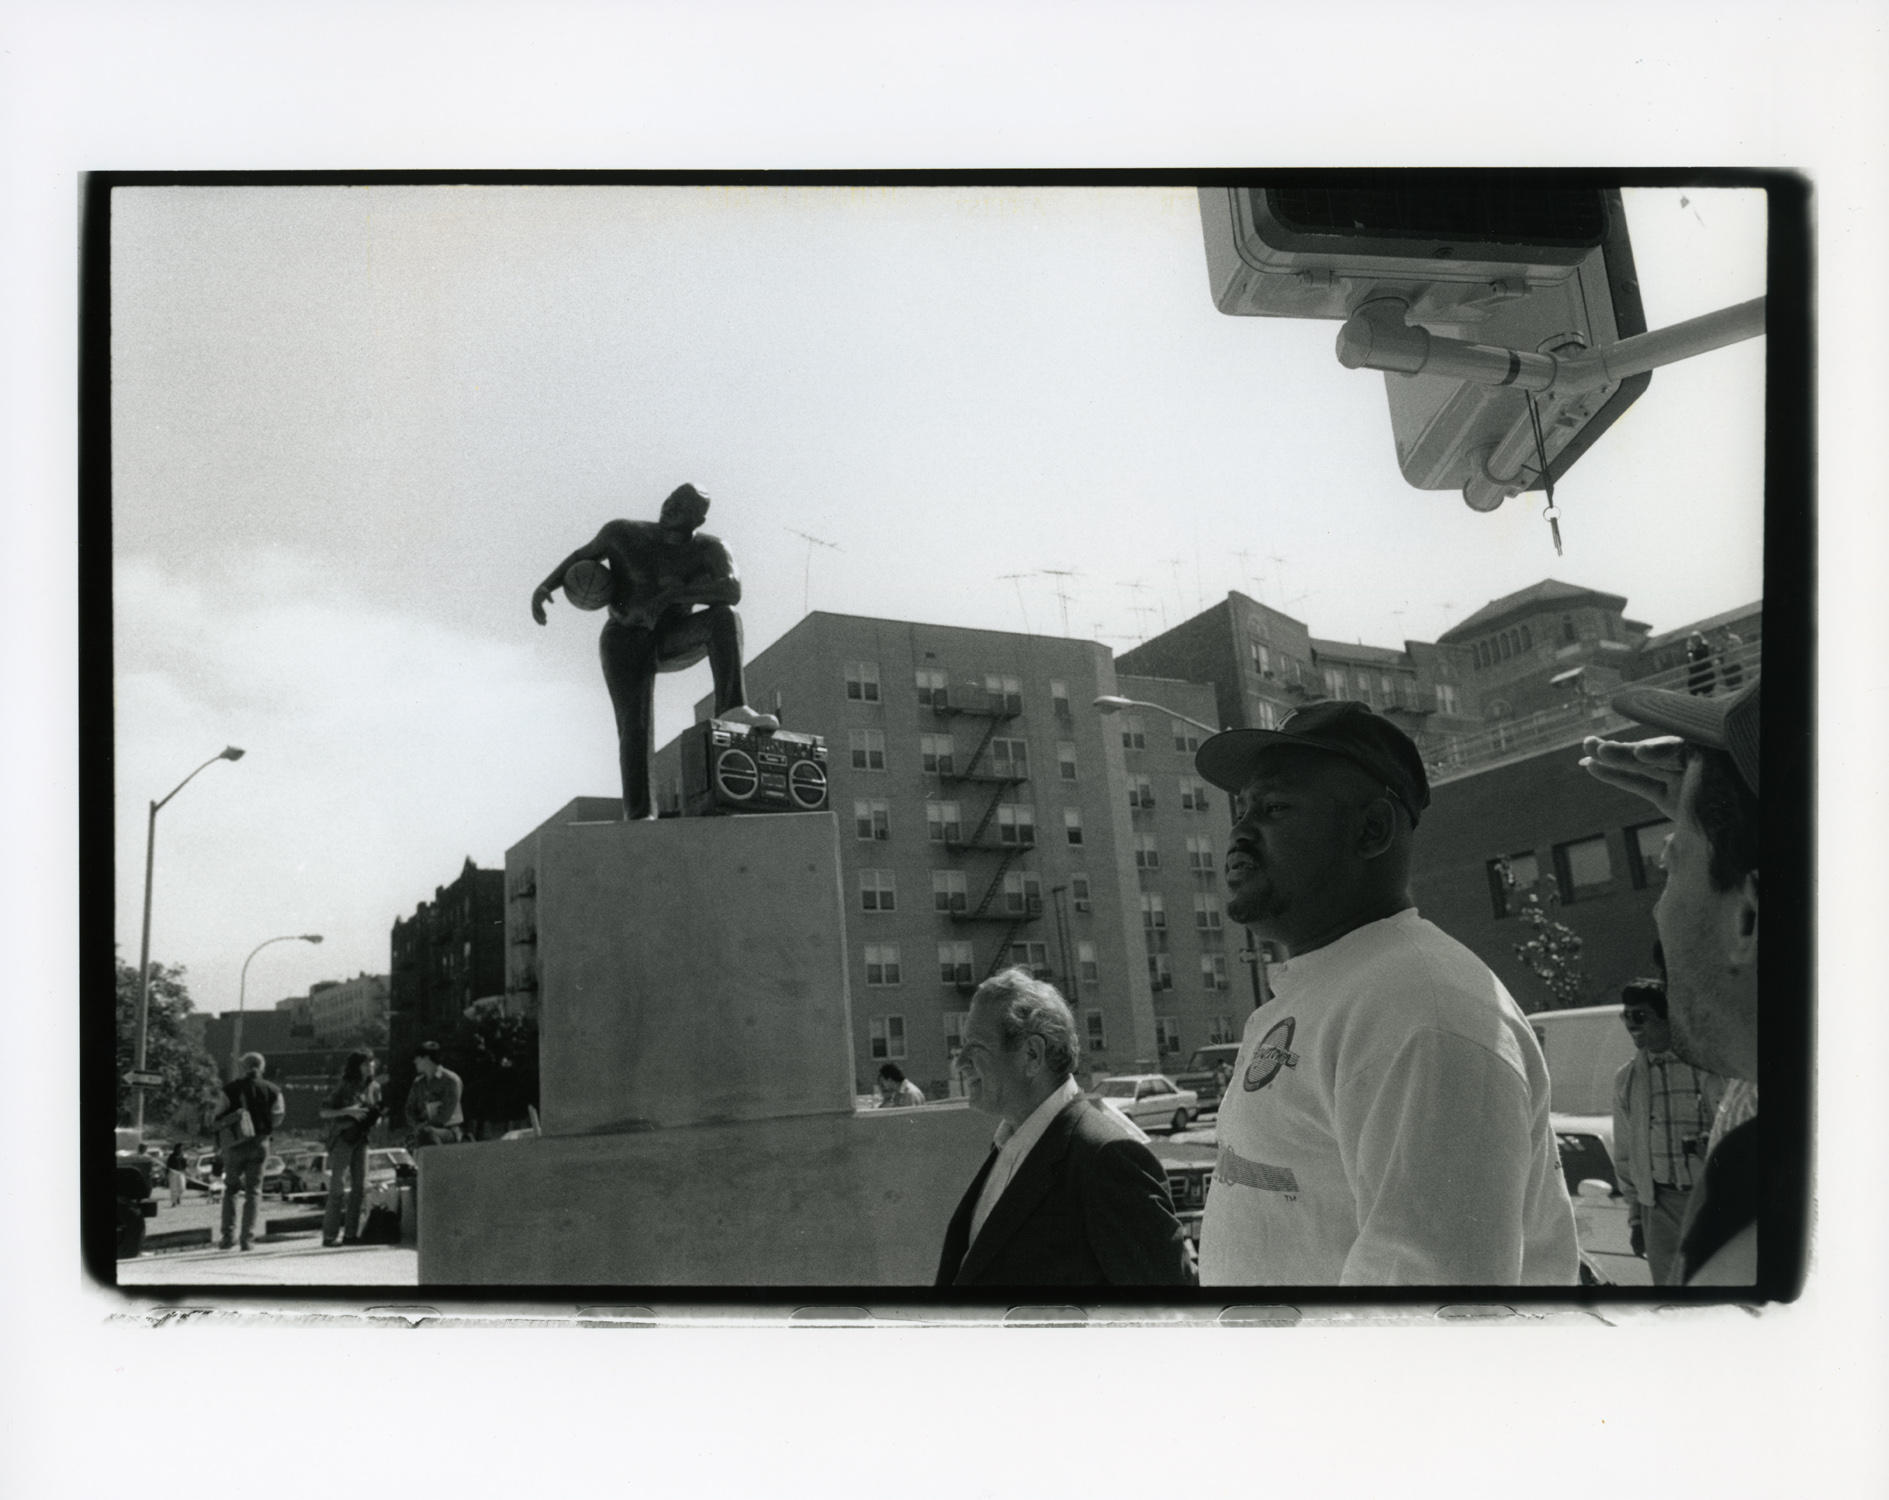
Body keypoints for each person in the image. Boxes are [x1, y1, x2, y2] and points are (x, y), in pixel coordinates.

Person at [1192, 700, 1578, 1285]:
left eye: (1272, 808)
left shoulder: (1423, 1013)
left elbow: (1423, 1321)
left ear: (1371, 830)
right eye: (1241, 809)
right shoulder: (1332, 989)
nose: (1239, 832)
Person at [1581, 677, 1760, 1285]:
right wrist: (1714, 826)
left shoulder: (1767, 1208)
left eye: (1670, 862)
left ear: (1750, 916)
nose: (1659, 911)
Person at [531, 483, 779, 820]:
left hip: (670, 636)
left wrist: (669, 597)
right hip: (624, 638)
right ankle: (640, 815)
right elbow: (582, 556)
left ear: (698, 519)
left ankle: (732, 707)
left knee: (724, 617)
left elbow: (731, 589)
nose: (669, 508)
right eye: (669, 500)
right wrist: (546, 586)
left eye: (680, 507)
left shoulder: (710, 548)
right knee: (634, 727)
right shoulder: (622, 533)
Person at [935, 968, 1195, 1286]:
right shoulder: (1011, 1145)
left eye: (976, 1047)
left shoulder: (1105, 1159)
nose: (960, 1062)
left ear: (1032, 1054)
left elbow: (1171, 1304)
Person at [1610, 978, 1728, 1284]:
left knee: (1714, 1293)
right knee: (1670, 1301)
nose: (1631, 1025)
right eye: (1627, 1017)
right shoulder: (1627, 1080)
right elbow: (1625, 1154)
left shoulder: (1709, 1069)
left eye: (1640, 1016)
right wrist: (1637, 1220)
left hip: (1709, 1204)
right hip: (1658, 1207)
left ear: (1667, 1017)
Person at [215, 1052, 285, 1252]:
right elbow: (278, 1116)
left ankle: (227, 1238)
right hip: (260, 1144)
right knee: (253, 1191)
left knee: (231, 1190)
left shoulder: (229, 1090)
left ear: (242, 1068)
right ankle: (247, 1240)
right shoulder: (273, 1090)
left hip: (235, 1145)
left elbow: (218, 1115)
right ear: (262, 1067)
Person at [319, 1049, 382, 1246]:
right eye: (366, 1063)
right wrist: (349, 1112)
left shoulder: (374, 1087)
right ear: (357, 1067)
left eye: (372, 1063)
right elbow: (324, 1112)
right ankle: (329, 1235)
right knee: (337, 1187)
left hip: (362, 1138)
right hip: (343, 1138)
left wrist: (373, 1118)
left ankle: (350, 1234)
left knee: (359, 1188)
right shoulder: (345, 1086)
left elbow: (376, 1110)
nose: (371, 1067)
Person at [404, 1041, 464, 1147]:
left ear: (426, 1058)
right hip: (421, 1130)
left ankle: (437, 1162)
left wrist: (423, 1127)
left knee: (427, 1133)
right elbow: (409, 1109)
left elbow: (445, 1115)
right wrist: (416, 1125)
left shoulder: (450, 1081)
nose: (414, 1061)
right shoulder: (418, 1083)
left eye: (417, 1057)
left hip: (448, 1130)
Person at [1684, 631, 1716, 697]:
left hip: (1705, 673)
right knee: (1693, 692)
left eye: (1697, 638)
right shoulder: (1691, 650)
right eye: (1693, 639)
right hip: (1696, 674)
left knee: (1708, 692)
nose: (1695, 640)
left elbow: (1705, 654)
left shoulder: (1704, 646)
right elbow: (1690, 662)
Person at [165, 1142, 188, 1209]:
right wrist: (166, 1175)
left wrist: (186, 1172)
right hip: (173, 1173)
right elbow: (168, 1166)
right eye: (180, 1148)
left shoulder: (182, 1156)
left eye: (182, 1148)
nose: (181, 1149)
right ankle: (174, 1202)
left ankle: (178, 1197)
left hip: (181, 1173)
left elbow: (185, 1165)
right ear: (177, 1148)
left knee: (182, 1187)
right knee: (173, 1188)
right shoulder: (171, 1156)